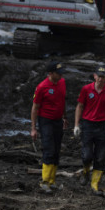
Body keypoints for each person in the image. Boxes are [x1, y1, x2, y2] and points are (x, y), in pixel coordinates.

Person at [73, 65, 105, 194]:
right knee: (87, 156)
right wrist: (76, 125)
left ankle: (94, 184)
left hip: (102, 126)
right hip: (88, 125)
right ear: (94, 76)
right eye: (98, 76)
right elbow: (80, 106)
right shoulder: (86, 89)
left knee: (101, 157)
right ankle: (85, 172)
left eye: (103, 77)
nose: (100, 79)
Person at [30, 61, 67, 193]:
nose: (61, 75)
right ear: (50, 74)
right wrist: (33, 128)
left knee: (56, 150)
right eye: (58, 73)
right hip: (46, 121)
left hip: (58, 120)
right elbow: (35, 108)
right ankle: (44, 181)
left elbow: (62, 101)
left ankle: (52, 181)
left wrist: (64, 117)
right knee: (49, 149)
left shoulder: (62, 82)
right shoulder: (42, 87)